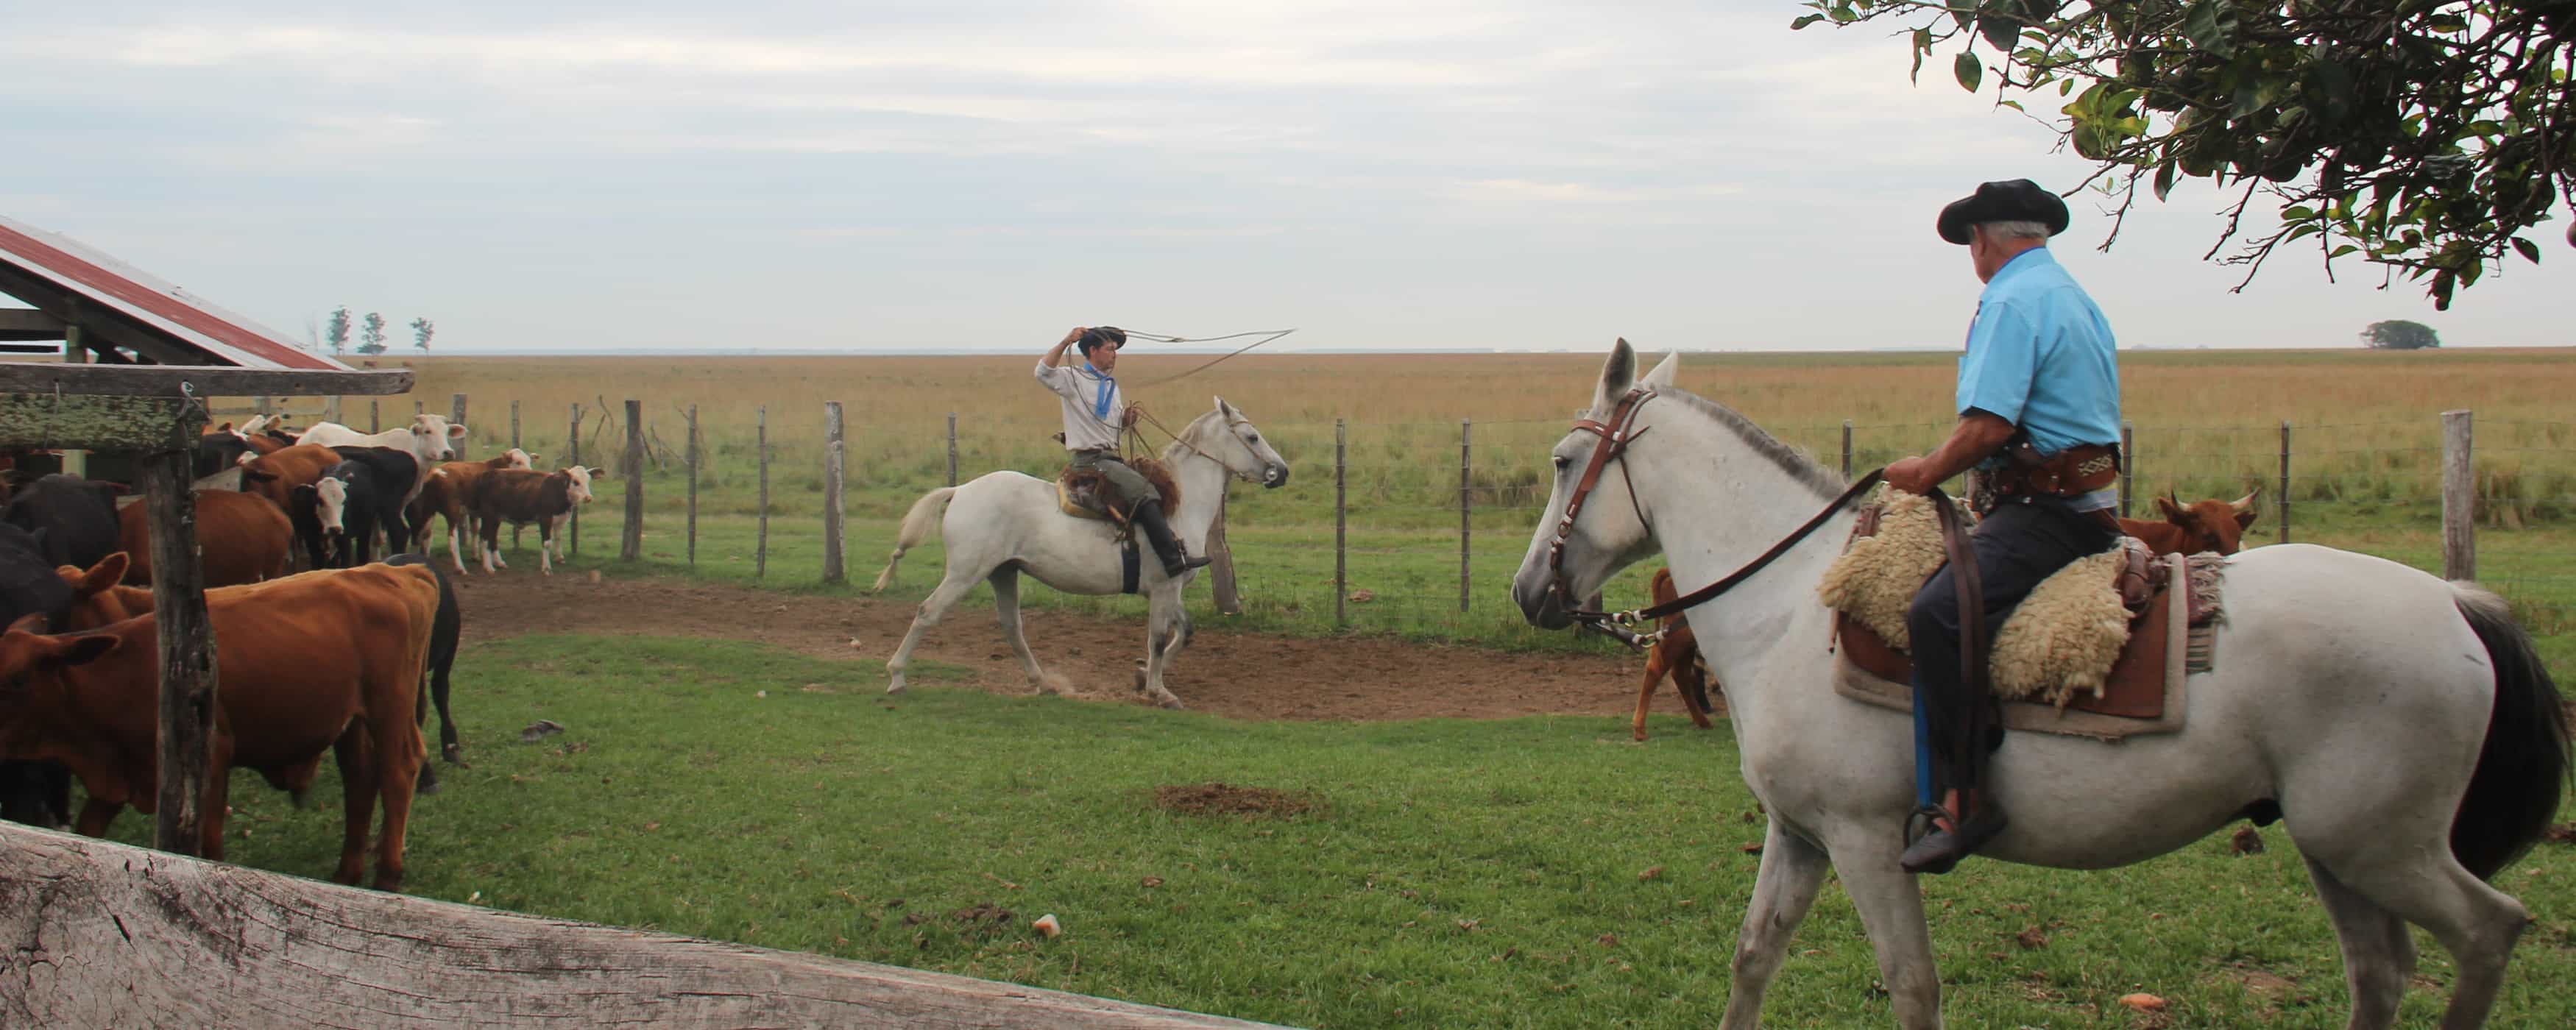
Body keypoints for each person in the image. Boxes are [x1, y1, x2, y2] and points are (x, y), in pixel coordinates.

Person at [1883, 179, 2123, 875]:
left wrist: (1926, 472)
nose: (1973, 255)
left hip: (2044, 515)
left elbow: (1988, 424)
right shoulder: (2073, 296)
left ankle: (1966, 797)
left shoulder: (2011, 300)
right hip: (2087, 503)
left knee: (1935, 612)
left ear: (1984, 239)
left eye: (1970, 243)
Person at [1037, 325, 1209, 578]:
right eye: (1109, 349)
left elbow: (1110, 427)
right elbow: (1042, 372)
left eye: (1116, 350)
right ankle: (1172, 559)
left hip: (1110, 457)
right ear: (1093, 351)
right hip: (1090, 460)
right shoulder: (1072, 378)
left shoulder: (1110, 386)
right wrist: (1065, 341)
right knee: (1144, 491)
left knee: (1157, 482)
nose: (1115, 354)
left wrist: (1125, 422)